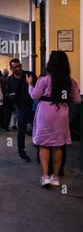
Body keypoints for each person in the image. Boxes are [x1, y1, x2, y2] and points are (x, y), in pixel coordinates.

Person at [27, 51, 81, 187]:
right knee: (57, 145)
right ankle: (56, 178)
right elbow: (78, 100)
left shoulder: (44, 79)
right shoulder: (70, 81)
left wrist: (30, 84)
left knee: (44, 144)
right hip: (61, 113)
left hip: (45, 111)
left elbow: (34, 95)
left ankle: (45, 176)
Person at [6, 58, 37, 162]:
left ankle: (40, 152)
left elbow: (38, 89)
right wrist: (12, 96)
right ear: (11, 68)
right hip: (20, 107)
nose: (18, 68)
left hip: (34, 106)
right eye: (15, 67)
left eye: (19, 65)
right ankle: (21, 151)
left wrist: (30, 84)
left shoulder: (30, 75)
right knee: (21, 130)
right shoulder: (10, 80)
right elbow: (8, 94)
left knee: (37, 129)